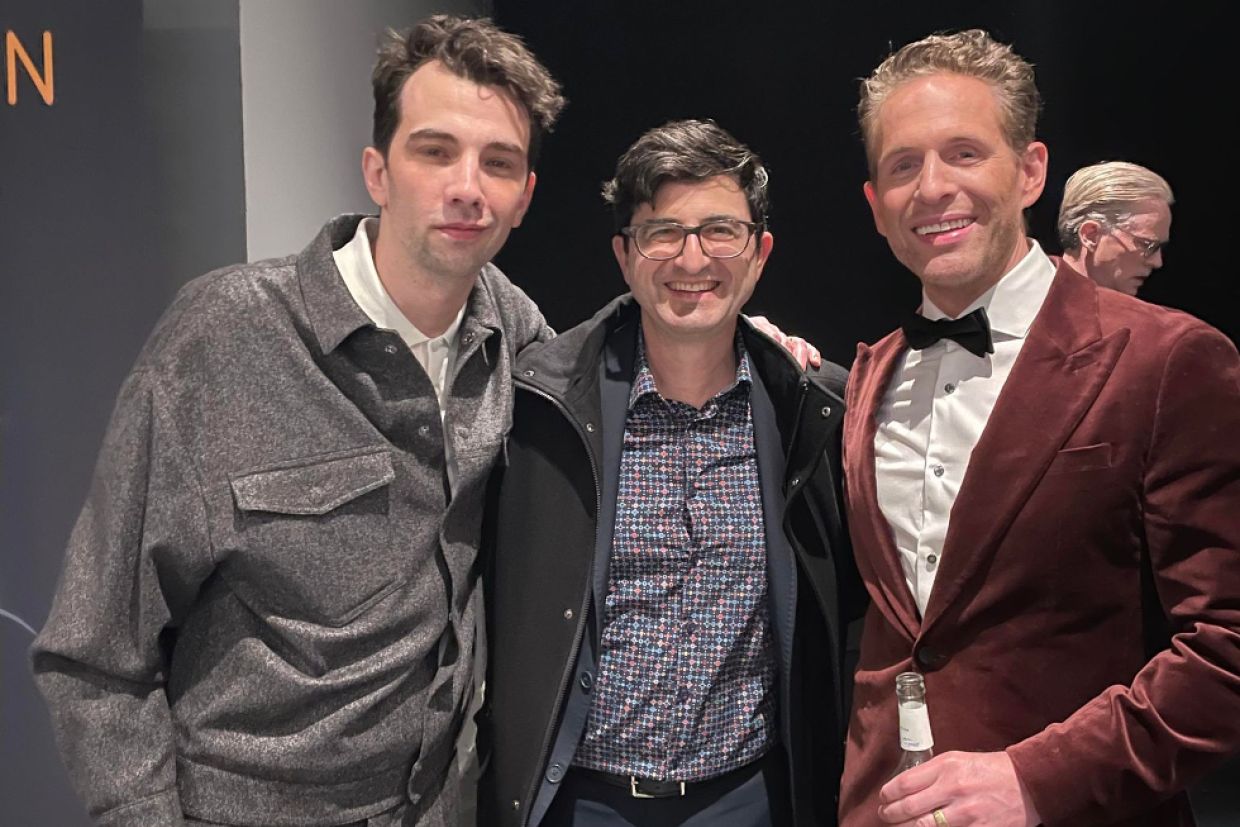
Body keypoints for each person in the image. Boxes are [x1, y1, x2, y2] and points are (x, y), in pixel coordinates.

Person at [31, 15, 564, 826]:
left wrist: (742, 343)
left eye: (498, 162)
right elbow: (95, 650)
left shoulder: (509, 329)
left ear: (523, 197)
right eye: (435, 151)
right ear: (377, 172)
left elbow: (608, 387)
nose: (467, 186)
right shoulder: (224, 336)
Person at [841, 29, 1240, 827]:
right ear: (875, 202)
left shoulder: (1169, 358)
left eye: (964, 153)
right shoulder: (864, 376)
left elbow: (1227, 645)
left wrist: (1037, 779)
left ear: (1030, 171)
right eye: (903, 165)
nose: (932, 187)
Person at [478, 119, 863, 827]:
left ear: (759, 253)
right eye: (663, 233)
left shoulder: (813, 411)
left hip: (749, 801)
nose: (693, 258)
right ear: (625, 255)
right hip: (576, 801)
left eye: (721, 231)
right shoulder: (542, 407)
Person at [1057, 160, 1174, 296]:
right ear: (1090, 235)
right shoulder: (1036, 302)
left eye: (1159, 248)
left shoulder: (1145, 311)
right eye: (1147, 245)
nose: (1157, 262)